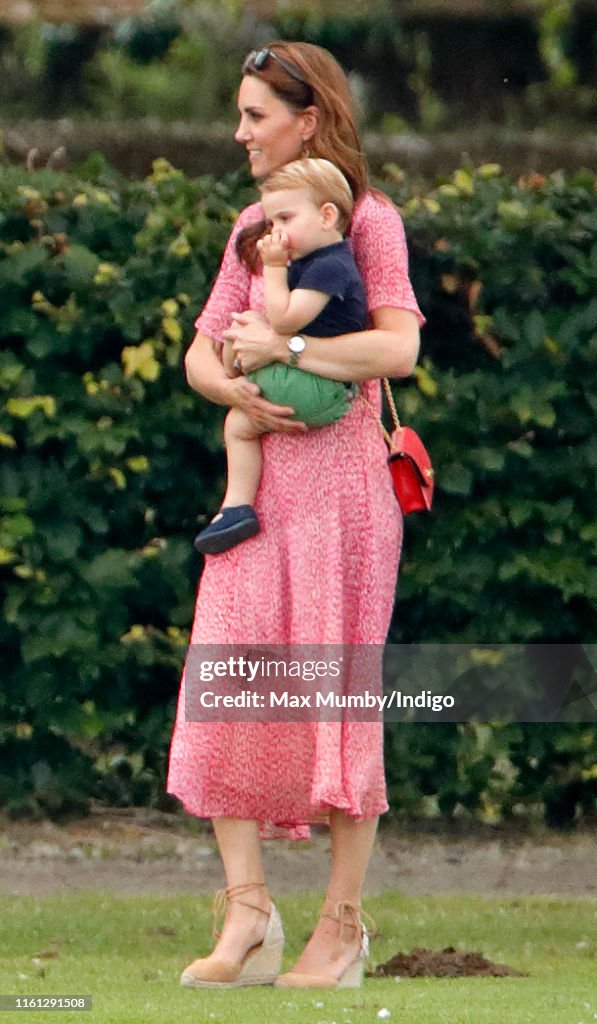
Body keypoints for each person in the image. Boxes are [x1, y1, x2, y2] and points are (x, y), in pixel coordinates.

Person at [167, 41, 424, 990]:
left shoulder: (371, 223)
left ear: (306, 119)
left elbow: (394, 351)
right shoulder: (252, 222)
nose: (238, 133)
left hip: (345, 501)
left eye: (254, 116)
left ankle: (342, 928)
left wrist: (290, 350)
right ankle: (246, 915)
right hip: (261, 496)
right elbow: (201, 355)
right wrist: (237, 380)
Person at [193, 157, 366, 555]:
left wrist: (273, 268)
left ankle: (237, 506)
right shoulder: (315, 262)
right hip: (313, 379)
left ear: (327, 215)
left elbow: (285, 320)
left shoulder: (331, 267)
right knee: (245, 324)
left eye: (285, 219)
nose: (277, 233)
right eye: (271, 223)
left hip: (320, 387)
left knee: (238, 425)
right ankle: (240, 367)